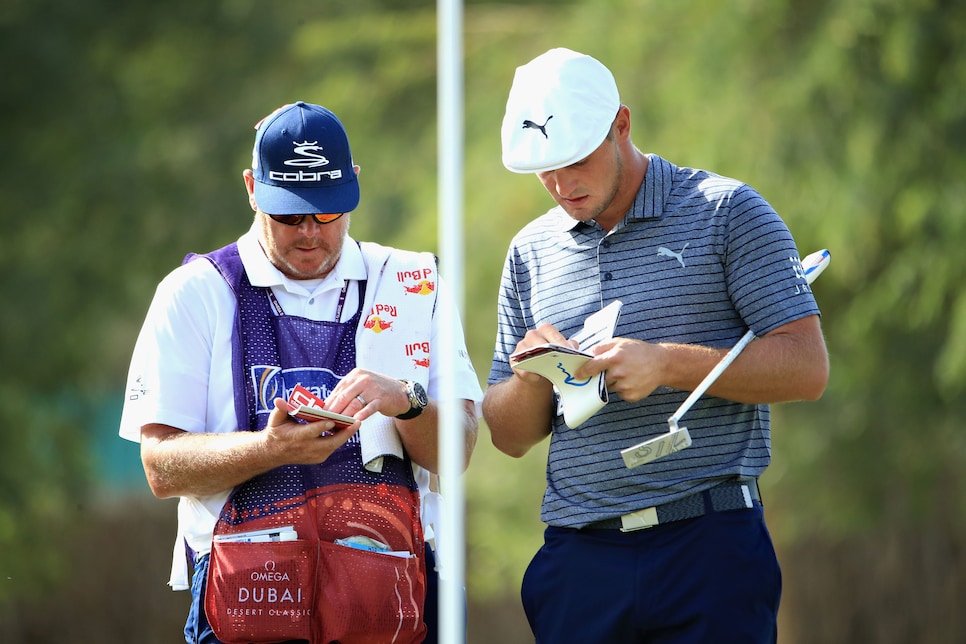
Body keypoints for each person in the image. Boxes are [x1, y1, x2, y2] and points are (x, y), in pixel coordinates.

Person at [483, 48, 829, 643]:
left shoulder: (727, 212)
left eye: (575, 160)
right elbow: (509, 436)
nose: (562, 185)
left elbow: (806, 367)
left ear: (621, 124)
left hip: (708, 546)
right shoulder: (530, 250)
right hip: (579, 557)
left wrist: (665, 363)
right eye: (545, 169)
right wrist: (533, 377)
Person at [119, 101, 482, 644]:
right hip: (247, 600)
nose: (310, 232)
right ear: (250, 188)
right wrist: (272, 450)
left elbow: (458, 452)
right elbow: (160, 468)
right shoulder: (195, 293)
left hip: (391, 598)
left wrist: (406, 400)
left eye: (328, 212)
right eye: (289, 215)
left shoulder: (412, 283)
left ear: (354, 184)